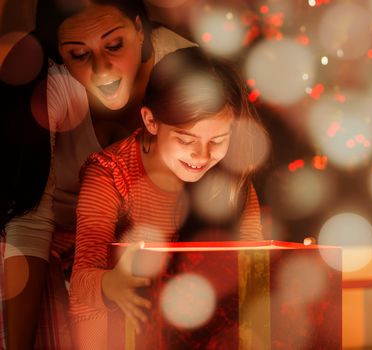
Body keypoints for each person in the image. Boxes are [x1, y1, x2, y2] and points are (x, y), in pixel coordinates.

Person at [1, 0, 196, 348]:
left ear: (139, 29)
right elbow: (28, 224)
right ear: (59, 52)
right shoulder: (45, 83)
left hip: (148, 240)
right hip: (48, 239)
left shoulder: (188, 71)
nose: (102, 69)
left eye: (114, 45)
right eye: (79, 54)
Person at [70, 46, 263, 349]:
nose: (202, 155)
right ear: (151, 120)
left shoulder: (232, 178)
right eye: (186, 139)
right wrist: (109, 284)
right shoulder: (110, 174)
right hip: (131, 332)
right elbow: (82, 283)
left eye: (218, 140)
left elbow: (254, 265)